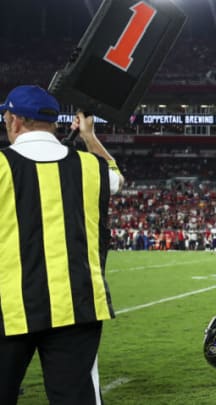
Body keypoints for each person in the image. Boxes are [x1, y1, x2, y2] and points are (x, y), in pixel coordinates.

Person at [0, 85, 124, 404]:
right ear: (54, 123)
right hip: (78, 306)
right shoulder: (90, 167)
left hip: (10, 306)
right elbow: (116, 177)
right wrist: (89, 135)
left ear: (13, 120)